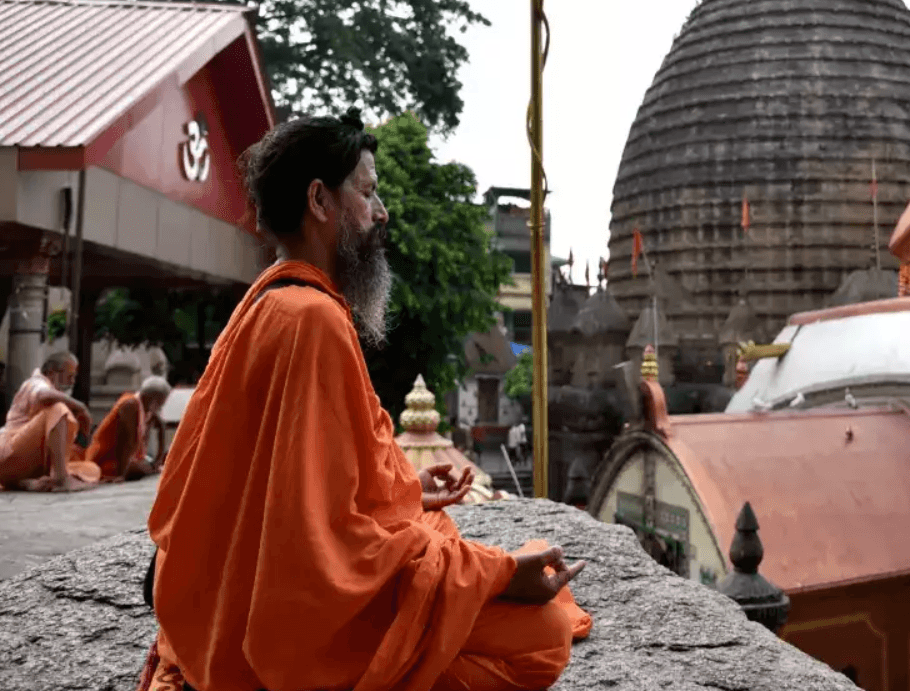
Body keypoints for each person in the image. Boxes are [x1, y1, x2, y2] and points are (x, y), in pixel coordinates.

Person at [142, 112, 589, 691]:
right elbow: (319, 548)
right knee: (543, 635)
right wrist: (499, 575)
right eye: (369, 191)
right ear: (319, 200)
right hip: (282, 622)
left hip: (232, 591)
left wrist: (409, 489)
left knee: (440, 534)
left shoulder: (266, 300)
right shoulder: (312, 318)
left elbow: (304, 481)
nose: (382, 212)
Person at [0, 351, 101, 492]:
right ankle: (61, 479)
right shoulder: (35, 382)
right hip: (5, 458)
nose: (72, 382)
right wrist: (80, 406)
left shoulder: (53, 393)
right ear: (52, 372)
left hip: (25, 466)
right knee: (58, 409)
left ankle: (26, 482)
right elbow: (42, 395)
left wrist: (83, 432)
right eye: (70, 376)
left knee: (92, 469)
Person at [86, 375, 170, 481]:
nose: (161, 406)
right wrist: (121, 475)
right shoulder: (130, 405)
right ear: (154, 398)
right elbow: (127, 444)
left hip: (127, 460)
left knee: (158, 464)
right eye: (161, 402)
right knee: (142, 469)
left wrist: (158, 459)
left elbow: (161, 426)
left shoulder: (146, 408)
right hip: (107, 460)